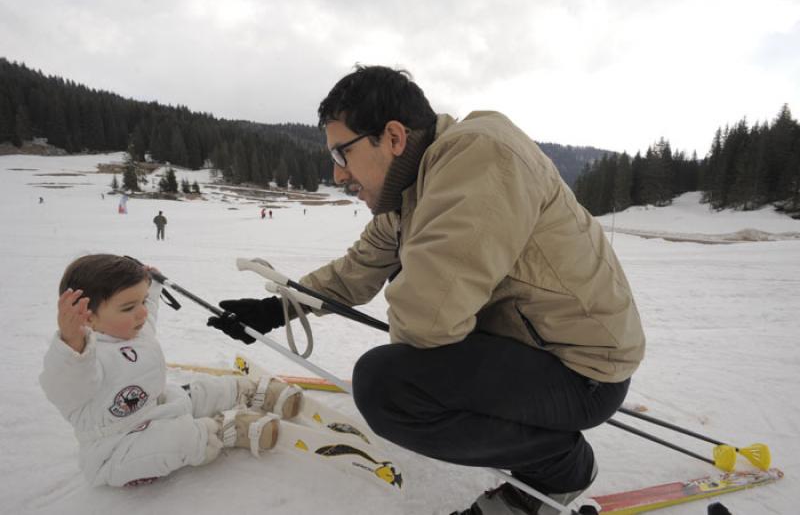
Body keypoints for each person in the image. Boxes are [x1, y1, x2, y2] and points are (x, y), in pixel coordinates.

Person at [207, 66, 645, 514]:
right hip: (533, 350)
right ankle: (543, 451)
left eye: (342, 155)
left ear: (393, 137)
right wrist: (275, 310)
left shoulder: (479, 158)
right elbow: (357, 270)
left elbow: (427, 321)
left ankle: (557, 467)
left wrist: (427, 375)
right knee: (398, 378)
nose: (338, 175)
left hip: (581, 371)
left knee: (388, 387)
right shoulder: (413, 190)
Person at [40, 254, 303, 487]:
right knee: (178, 439)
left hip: (157, 406)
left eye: (141, 301)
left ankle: (248, 393)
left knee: (198, 391)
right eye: (129, 307)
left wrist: (152, 285)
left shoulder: (133, 329)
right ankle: (224, 430)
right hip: (118, 447)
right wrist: (71, 342)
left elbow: (149, 311)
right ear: (87, 317)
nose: (142, 313)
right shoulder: (82, 359)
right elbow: (65, 382)